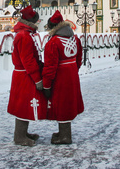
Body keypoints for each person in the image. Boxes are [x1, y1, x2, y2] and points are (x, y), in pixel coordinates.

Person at [42, 10, 84, 144]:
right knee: (68, 103)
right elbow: (79, 58)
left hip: (60, 77)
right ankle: (63, 132)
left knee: (62, 104)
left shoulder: (53, 42)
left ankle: (65, 136)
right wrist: (73, 70)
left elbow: (50, 66)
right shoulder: (75, 38)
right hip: (71, 75)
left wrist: (47, 84)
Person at [7, 5, 46, 146]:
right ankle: (19, 137)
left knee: (26, 104)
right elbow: (27, 60)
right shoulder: (25, 36)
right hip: (24, 75)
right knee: (23, 105)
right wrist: (37, 78)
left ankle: (23, 133)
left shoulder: (25, 34)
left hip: (23, 74)